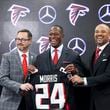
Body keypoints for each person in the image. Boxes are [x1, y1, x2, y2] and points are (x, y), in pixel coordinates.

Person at [29, 25, 88, 110]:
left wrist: (75, 71)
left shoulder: (73, 55)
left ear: (62, 36)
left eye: (56, 34)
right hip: (46, 105)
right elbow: (35, 79)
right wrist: (31, 72)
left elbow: (83, 76)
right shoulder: (40, 57)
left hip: (66, 104)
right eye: (50, 34)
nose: (53, 36)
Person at [70, 24, 110, 110]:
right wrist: (75, 71)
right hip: (94, 102)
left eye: (103, 31)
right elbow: (91, 74)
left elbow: (108, 75)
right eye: (97, 32)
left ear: (109, 35)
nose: (99, 34)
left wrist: (84, 80)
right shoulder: (93, 53)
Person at [0, 29, 36, 110]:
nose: (20, 41)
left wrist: (36, 72)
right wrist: (20, 86)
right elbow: (2, 79)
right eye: (18, 39)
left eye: (23, 39)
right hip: (10, 103)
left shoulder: (35, 58)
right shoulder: (7, 57)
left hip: (29, 103)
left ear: (30, 41)